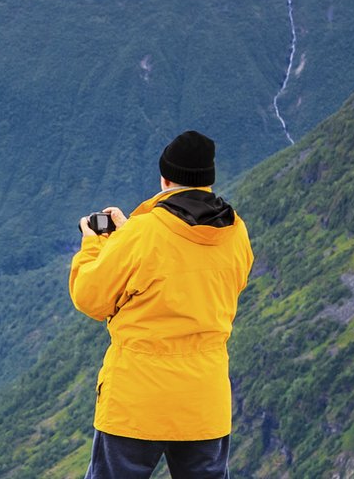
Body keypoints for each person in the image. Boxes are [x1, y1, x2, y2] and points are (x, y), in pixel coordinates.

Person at [69, 131, 254, 479]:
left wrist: (96, 246)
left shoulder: (142, 234)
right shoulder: (237, 231)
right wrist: (129, 237)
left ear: (165, 178)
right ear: (208, 180)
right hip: (204, 398)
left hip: (137, 399)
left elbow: (90, 297)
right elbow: (214, 283)